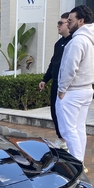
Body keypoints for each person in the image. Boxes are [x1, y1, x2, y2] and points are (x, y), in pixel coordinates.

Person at [56, 5, 94, 166]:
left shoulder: (77, 42)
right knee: (79, 128)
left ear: (81, 21)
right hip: (86, 89)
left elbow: (70, 68)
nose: (67, 23)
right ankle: (80, 161)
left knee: (68, 130)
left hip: (73, 91)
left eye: (70, 20)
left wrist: (61, 90)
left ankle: (77, 165)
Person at [39, 12, 72, 146]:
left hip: (67, 86)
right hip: (56, 84)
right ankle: (61, 138)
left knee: (65, 115)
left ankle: (68, 141)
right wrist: (45, 79)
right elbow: (53, 63)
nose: (57, 26)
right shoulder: (58, 44)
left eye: (60, 23)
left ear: (68, 24)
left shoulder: (73, 42)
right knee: (55, 112)